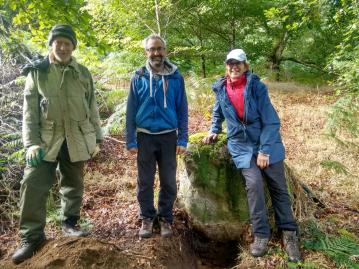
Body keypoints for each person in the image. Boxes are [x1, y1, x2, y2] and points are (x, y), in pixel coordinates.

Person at [12, 24, 103, 264]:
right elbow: (29, 113)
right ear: (51, 44)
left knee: (73, 183)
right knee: (32, 185)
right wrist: (31, 144)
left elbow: (92, 107)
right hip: (45, 140)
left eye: (68, 43)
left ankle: (70, 223)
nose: (63, 47)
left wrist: (97, 138)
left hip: (77, 136)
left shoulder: (82, 72)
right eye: (58, 42)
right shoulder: (38, 72)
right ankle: (31, 237)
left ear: (73, 46)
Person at [202, 49, 301, 262]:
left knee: (278, 186)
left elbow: (271, 121)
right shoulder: (220, 88)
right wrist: (214, 129)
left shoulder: (257, 87)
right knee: (254, 184)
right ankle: (261, 234)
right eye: (230, 63)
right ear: (226, 67)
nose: (234, 67)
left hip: (266, 141)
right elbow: (218, 111)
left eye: (238, 63)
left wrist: (264, 150)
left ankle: (289, 233)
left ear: (245, 65)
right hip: (240, 144)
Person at [126, 34, 188, 239]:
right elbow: (130, 110)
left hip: (169, 136)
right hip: (144, 137)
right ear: (146, 52)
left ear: (165, 51)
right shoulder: (138, 76)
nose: (156, 53)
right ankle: (146, 217)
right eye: (152, 49)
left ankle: (165, 218)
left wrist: (182, 138)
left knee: (168, 181)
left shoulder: (176, 78)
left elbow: (182, 109)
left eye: (159, 49)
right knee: (144, 181)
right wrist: (131, 140)